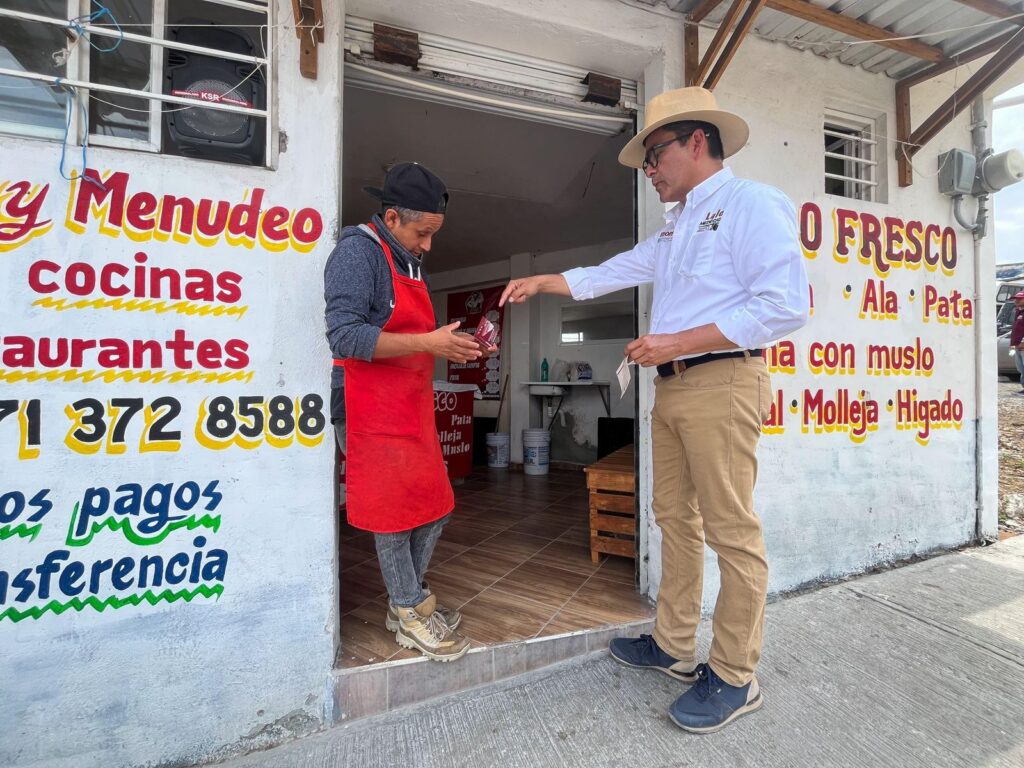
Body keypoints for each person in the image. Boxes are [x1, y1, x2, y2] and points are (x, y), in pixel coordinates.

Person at [500, 87, 809, 731]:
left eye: (654, 154)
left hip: (723, 381)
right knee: (673, 517)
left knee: (731, 530)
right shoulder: (676, 227)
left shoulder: (752, 204)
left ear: (697, 142)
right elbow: (611, 270)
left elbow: (784, 306)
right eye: (644, 160)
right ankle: (674, 644)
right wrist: (543, 281)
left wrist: (677, 342)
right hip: (671, 389)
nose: (648, 169)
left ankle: (735, 675)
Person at [324, 162, 492, 662]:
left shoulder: (410, 260)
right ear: (392, 218)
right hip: (364, 402)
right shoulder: (358, 252)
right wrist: (428, 342)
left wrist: (454, 345)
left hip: (406, 401)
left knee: (435, 503)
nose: (429, 245)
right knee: (393, 514)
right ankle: (409, 609)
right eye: (423, 233)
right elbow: (344, 336)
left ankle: (410, 600)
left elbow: (415, 338)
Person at [1011, 290, 1024, 393]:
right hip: (1017, 345)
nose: (1016, 300)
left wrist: (1023, 342)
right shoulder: (1018, 312)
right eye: (1016, 299)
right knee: (1020, 368)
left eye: (1019, 299)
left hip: (1022, 345)